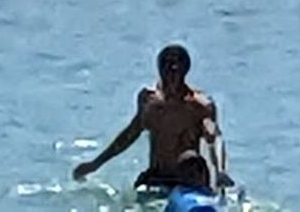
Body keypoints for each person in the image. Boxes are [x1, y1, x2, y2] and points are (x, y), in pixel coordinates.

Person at [72, 44, 228, 190]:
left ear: (184, 70)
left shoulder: (200, 106)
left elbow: (215, 138)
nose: (171, 73)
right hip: (156, 177)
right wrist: (95, 164)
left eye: (176, 69)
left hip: (187, 181)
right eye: (167, 67)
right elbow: (130, 134)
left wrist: (220, 172)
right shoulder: (149, 101)